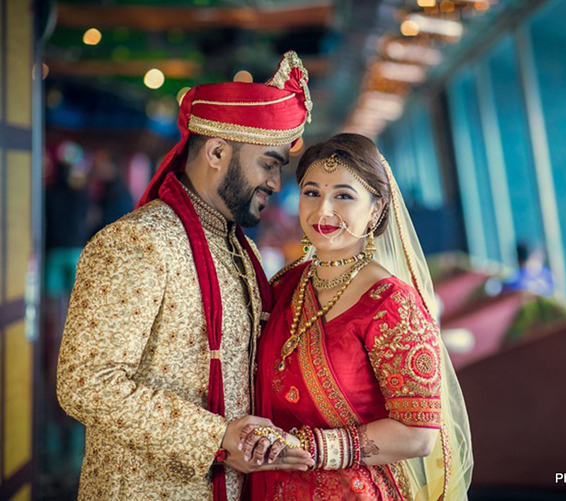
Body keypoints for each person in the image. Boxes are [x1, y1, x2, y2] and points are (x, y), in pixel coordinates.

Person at [56, 52, 316, 501]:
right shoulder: (139, 242)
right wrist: (215, 437)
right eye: (269, 163)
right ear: (217, 152)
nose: (276, 183)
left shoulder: (240, 248)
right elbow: (85, 382)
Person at [249, 134, 473, 500]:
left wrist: (312, 448)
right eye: (311, 193)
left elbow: (418, 434)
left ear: (376, 208)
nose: (322, 211)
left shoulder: (392, 303)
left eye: (343, 196)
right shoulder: (284, 285)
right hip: (268, 483)